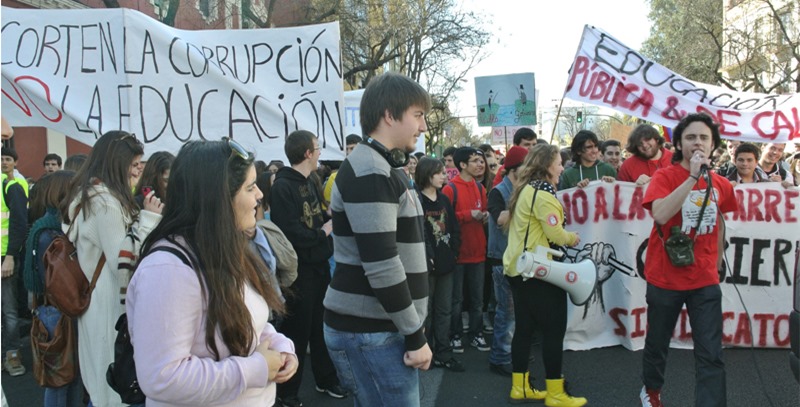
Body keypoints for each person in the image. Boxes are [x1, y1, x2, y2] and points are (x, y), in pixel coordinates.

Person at [127, 139, 298, 406]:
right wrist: (256, 369)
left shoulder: (221, 249)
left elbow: (247, 322)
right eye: (250, 187)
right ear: (218, 198)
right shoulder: (168, 271)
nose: (260, 195)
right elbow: (162, 376)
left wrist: (280, 346)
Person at [323, 72, 432, 406]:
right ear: (389, 114)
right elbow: (382, 265)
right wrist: (414, 336)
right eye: (418, 115)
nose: (423, 126)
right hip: (372, 332)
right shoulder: (371, 171)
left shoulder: (379, 166)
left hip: (377, 330)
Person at [639, 113, 737, 407]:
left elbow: (720, 225)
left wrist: (717, 263)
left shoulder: (721, 183)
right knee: (658, 343)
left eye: (704, 138)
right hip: (665, 278)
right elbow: (660, 214)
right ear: (679, 144)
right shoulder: (664, 177)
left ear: (713, 145)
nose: (698, 143)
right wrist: (692, 177)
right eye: (691, 137)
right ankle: (651, 390)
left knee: (711, 353)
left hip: (705, 280)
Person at [63, 130, 163, 407]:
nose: (137, 173)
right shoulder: (104, 203)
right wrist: (149, 219)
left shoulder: (92, 196)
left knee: (102, 387)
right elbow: (124, 261)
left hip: (99, 307)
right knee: (111, 391)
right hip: (108, 311)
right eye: (133, 165)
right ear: (116, 164)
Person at [503, 144, 586, 406]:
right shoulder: (544, 194)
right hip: (538, 273)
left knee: (525, 329)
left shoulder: (527, 189)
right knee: (553, 331)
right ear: (546, 165)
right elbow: (555, 234)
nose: (562, 167)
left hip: (519, 269)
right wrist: (572, 237)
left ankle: (521, 386)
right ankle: (555, 393)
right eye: (559, 163)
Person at [270, 130, 345, 407]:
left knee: (320, 328)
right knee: (297, 333)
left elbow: (315, 214)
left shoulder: (311, 180)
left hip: (319, 268)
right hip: (299, 274)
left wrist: (329, 216)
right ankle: (288, 393)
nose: (320, 152)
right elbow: (290, 232)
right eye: (317, 148)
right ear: (307, 153)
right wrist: (324, 232)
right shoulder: (283, 187)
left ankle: (326, 380)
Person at [23, 170, 83, 407]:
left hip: (48, 310)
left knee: (61, 377)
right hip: (57, 311)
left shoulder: (43, 227)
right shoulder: (52, 232)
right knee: (61, 378)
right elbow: (58, 280)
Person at [415, 157, 463, 372]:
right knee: (426, 313)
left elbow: (454, 227)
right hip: (425, 267)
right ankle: (427, 353)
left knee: (444, 311)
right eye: (439, 172)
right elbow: (418, 233)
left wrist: (453, 252)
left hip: (446, 265)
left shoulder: (444, 199)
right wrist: (428, 256)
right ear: (427, 174)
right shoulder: (417, 200)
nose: (444, 176)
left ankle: (443, 353)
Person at [442, 147, 490, 353]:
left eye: (482, 161)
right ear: (463, 165)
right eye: (475, 161)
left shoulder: (481, 189)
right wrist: (468, 215)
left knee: (477, 300)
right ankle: (455, 335)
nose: (481, 164)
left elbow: (485, 211)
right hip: (458, 253)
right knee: (457, 300)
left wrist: (485, 216)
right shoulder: (450, 189)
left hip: (478, 252)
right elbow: (445, 220)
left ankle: (476, 334)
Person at [486, 145, 528, 377]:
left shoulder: (524, 190)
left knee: (518, 311)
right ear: (514, 169)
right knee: (507, 311)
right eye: (526, 167)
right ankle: (499, 358)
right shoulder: (498, 192)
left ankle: (511, 352)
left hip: (520, 258)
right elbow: (500, 218)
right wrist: (521, 204)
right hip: (502, 260)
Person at [1, 147, 28, 378]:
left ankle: (12, 355)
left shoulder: (12, 186)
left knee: (9, 310)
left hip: (4, 258)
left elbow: (19, 224)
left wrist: (10, 256)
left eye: (6, 159)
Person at [323, 134, 362, 204]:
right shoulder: (334, 177)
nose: (348, 152)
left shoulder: (371, 173)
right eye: (346, 149)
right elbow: (328, 206)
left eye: (352, 148)